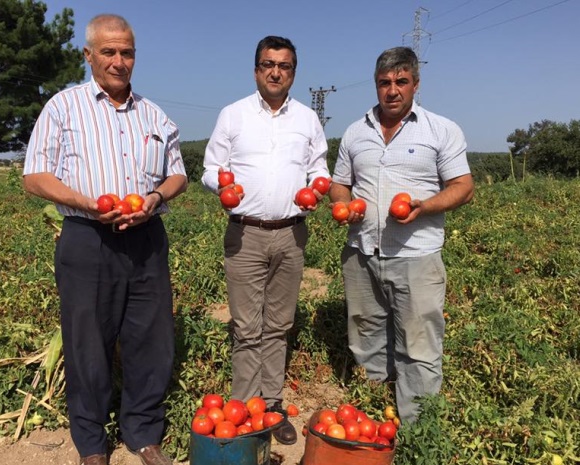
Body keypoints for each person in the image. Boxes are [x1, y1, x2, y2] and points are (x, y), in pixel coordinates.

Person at [23, 14, 187, 465]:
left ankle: (143, 432)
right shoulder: (63, 107)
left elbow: (178, 174)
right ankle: (92, 443)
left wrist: (154, 198)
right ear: (88, 54)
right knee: (87, 340)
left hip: (146, 237)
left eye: (127, 52)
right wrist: (85, 202)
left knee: (150, 337)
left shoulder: (155, 115)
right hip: (87, 237)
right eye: (109, 52)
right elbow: (34, 176)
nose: (119, 61)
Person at [329, 46, 474, 424]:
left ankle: (416, 429)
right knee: (365, 333)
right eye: (384, 83)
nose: (392, 90)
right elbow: (340, 183)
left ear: (415, 84)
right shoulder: (355, 131)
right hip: (361, 252)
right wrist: (344, 205)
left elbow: (463, 186)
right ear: (375, 85)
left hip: (417, 256)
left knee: (419, 342)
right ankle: (375, 412)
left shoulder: (440, 129)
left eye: (401, 82)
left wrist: (423, 207)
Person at [201, 36, 329, 445]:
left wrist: (319, 186)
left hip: (291, 233)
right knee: (246, 326)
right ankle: (243, 407)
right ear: (256, 69)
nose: (276, 72)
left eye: (285, 66)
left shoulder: (307, 119)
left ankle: (272, 405)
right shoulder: (233, 115)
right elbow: (211, 167)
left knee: (278, 324)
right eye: (268, 64)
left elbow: (318, 167)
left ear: (294, 72)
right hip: (246, 232)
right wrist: (222, 188)